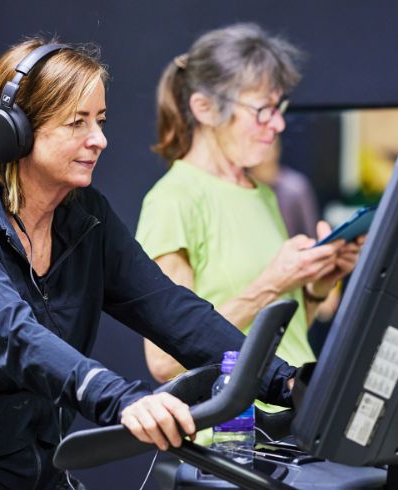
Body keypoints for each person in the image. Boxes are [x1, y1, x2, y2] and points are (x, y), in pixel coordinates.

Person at [0, 38, 296, 490]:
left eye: (100, 121)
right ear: (12, 129)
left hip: (36, 472)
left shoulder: (87, 216)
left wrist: (283, 382)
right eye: (77, 123)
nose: (99, 139)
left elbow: (170, 308)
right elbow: (14, 335)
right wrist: (122, 400)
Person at [136, 23, 363, 384]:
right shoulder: (174, 199)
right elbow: (164, 361)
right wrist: (272, 283)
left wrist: (318, 283)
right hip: (234, 435)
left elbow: (278, 335)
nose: (277, 124)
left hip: (291, 416)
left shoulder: (261, 193)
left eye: (279, 107)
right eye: (263, 109)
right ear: (205, 109)